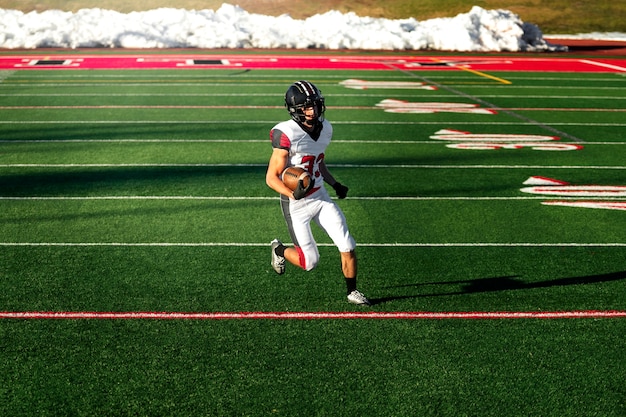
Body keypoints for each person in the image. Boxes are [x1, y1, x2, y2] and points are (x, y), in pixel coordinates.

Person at [265, 80, 370, 306]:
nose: (314, 111)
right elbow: (271, 178)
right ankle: (280, 249)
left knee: (348, 244)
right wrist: (292, 194)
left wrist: (334, 183)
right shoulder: (286, 133)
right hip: (297, 204)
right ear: (295, 110)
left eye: (316, 105)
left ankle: (352, 291)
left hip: (320, 196)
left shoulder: (326, 128)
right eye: (307, 107)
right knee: (309, 262)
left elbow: (318, 162)